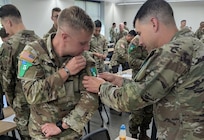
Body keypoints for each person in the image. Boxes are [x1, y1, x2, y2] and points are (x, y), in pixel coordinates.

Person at [82, 0, 204, 139]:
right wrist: (118, 80)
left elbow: (132, 100)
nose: (139, 41)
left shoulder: (173, 52)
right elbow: (150, 88)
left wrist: (101, 87)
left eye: (140, 32)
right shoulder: (192, 43)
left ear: (154, 24)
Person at [17, 6, 98, 139]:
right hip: (42, 135)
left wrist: (62, 125)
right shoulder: (32, 53)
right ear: (65, 37)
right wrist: (65, 72)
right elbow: (32, 94)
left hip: (71, 134)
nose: (87, 48)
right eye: (82, 43)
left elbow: (91, 99)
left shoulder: (85, 59)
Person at [0, 4, 40, 140]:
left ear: (8, 22)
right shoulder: (40, 41)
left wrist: (15, 105)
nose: (4, 29)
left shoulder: (9, 46)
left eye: (3, 25)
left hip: (24, 110)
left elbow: (7, 84)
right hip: (43, 109)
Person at [128, 35, 152, 140]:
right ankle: (133, 135)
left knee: (148, 111)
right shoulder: (135, 42)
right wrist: (149, 64)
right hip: (138, 80)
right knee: (137, 112)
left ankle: (143, 132)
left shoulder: (154, 39)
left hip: (151, 81)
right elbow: (132, 61)